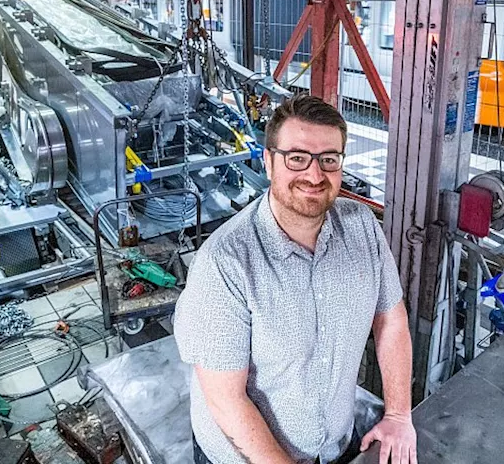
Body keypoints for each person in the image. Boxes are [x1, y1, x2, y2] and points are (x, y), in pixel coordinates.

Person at [174, 95, 416, 464]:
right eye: (297, 158)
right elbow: (226, 399)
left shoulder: (363, 227)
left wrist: (399, 414)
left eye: (329, 160)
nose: (315, 175)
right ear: (269, 162)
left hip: (333, 445)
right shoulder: (225, 263)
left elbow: (391, 318)